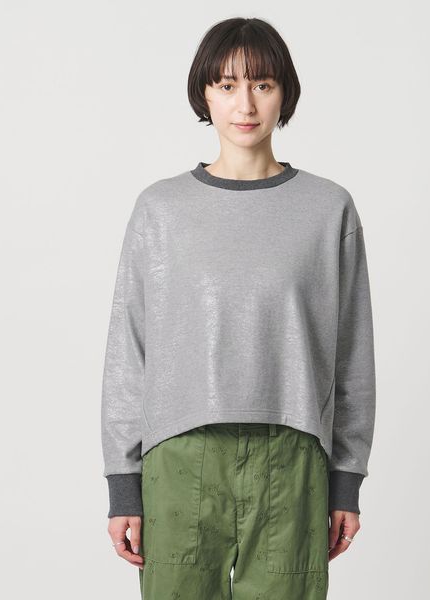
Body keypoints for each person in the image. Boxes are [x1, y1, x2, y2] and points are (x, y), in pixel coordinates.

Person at [101, 16, 376, 600]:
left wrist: (346, 481)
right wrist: (124, 484)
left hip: (293, 454)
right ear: (204, 93)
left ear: (284, 94)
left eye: (262, 84)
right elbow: (129, 351)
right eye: (227, 85)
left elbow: (352, 355)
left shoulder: (328, 209)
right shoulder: (160, 210)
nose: (245, 104)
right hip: (178, 453)